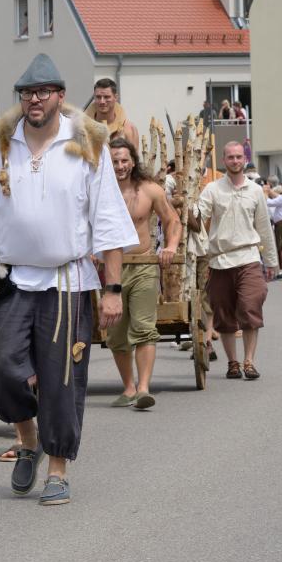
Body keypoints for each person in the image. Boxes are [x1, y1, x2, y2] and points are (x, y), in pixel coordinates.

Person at [0, 53, 137, 506]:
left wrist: (111, 290)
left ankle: (57, 468)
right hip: (11, 278)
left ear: (59, 96)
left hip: (67, 280)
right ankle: (28, 438)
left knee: (61, 377)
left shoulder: (88, 144)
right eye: (26, 93)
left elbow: (110, 223)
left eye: (42, 92)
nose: (33, 100)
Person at [194, 141, 279, 380]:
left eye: (238, 157)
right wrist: (189, 209)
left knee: (250, 305)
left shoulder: (255, 191)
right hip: (220, 260)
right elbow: (199, 215)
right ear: (224, 160)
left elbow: (264, 227)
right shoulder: (212, 189)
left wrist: (271, 261)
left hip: (248, 257)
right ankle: (232, 362)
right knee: (224, 314)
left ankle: (249, 361)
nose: (234, 161)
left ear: (244, 160)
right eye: (230, 157)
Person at [106, 138, 180, 411]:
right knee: (114, 334)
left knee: (144, 328)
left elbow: (172, 220)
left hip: (143, 265)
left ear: (133, 162)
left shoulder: (149, 190)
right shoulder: (98, 190)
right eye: (114, 161)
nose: (120, 166)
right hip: (110, 269)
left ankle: (144, 388)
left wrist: (170, 247)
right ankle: (128, 387)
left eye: (124, 160)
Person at [84, 77, 140, 151]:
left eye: (107, 97)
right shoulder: (82, 128)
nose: (102, 101)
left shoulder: (129, 129)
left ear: (115, 97)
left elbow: (134, 160)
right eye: (98, 97)